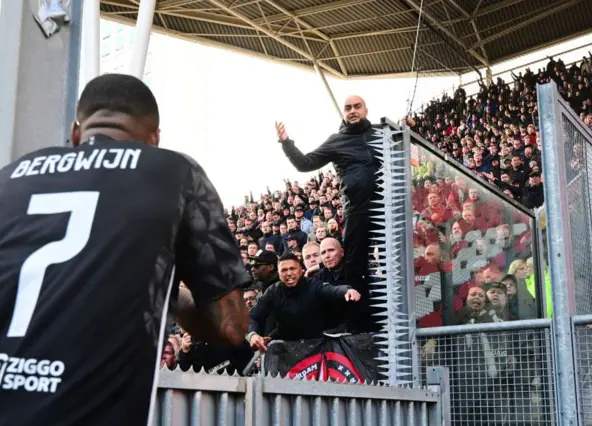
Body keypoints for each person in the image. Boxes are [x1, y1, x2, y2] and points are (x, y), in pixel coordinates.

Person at [0, 74, 249, 426]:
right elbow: (232, 327)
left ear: (76, 134)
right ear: (154, 139)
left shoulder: (9, 177)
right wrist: (165, 289)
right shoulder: (176, 172)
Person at [275, 95, 380, 332]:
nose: (352, 111)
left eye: (357, 107)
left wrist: (409, 128)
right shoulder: (337, 140)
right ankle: (358, 328)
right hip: (357, 211)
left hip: (387, 208)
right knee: (355, 266)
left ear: (366, 109)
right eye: (347, 108)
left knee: (396, 260)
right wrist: (286, 143)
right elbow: (305, 163)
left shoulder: (381, 133)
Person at [247, 254, 361, 352]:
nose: (289, 273)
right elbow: (252, 316)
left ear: (301, 270)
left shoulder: (313, 285)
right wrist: (253, 335)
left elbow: (332, 290)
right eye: (284, 270)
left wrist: (348, 290)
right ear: (279, 273)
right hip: (287, 349)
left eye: (292, 268)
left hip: (317, 348)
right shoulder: (273, 291)